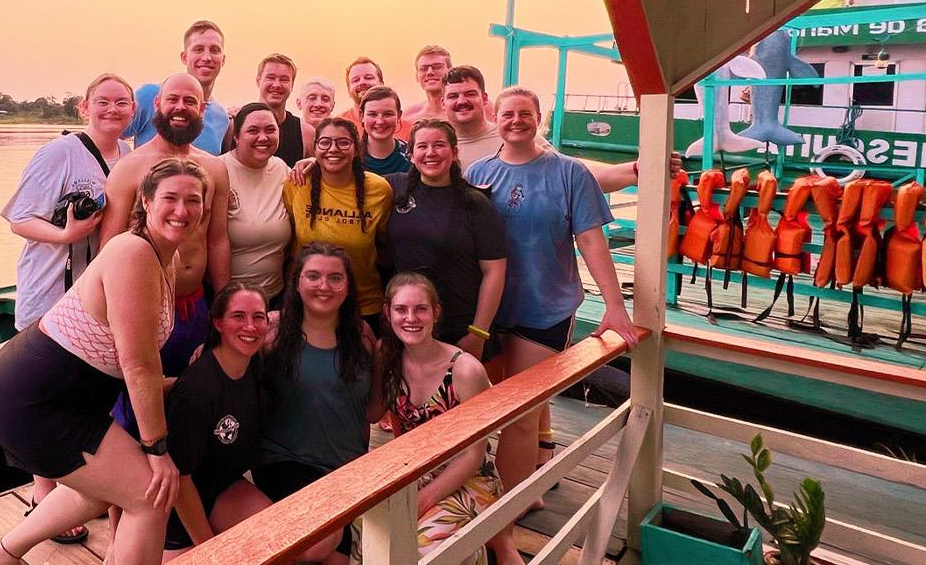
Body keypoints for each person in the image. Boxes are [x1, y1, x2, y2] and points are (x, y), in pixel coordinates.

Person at [0, 158, 209, 565]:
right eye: (170, 198)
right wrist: (158, 451)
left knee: (99, 487)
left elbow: (133, 364)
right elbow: (137, 364)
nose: (182, 210)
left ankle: (1, 556)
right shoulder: (132, 252)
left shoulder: (164, 257)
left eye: (194, 200)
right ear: (146, 202)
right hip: (34, 397)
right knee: (149, 495)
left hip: (75, 397)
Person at [463, 86, 639, 547]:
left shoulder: (569, 174)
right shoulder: (479, 174)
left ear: (539, 119)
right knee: (472, 411)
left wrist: (616, 307)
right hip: (488, 312)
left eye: (526, 113)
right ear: (493, 117)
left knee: (522, 417)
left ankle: (498, 521)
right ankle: (487, 499)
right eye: (508, 114)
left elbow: (591, 242)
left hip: (544, 310)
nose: (516, 120)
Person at [0, 72, 135, 545]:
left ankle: (76, 488)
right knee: (44, 395)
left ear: (133, 110)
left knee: (84, 395)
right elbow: (18, 219)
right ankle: (42, 496)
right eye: (103, 101)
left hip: (95, 298)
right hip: (50, 291)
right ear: (84, 106)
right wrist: (67, 235)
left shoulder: (132, 158)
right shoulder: (61, 152)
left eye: (122, 102)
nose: (112, 110)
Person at [102, 73, 232, 435]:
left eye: (190, 102)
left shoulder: (214, 168)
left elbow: (218, 239)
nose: (180, 108)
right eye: (172, 99)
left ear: (202, 110)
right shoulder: (130, 168)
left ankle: (186, 473)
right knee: (136, 403)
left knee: (192, 398)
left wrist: (222, 303)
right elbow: (109, 247)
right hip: (142, 306)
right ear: (156, 105)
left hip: (194, 305)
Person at [253, 242, 383, 564]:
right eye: (313, 276)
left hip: (342, 471)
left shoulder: (363, 336)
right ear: (296, 282)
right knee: (316, 545)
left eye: (335, 278)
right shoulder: (271, 332)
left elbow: (374, 411)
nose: (323, 286)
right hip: (284, 460)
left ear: (348, 285)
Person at [379, 272, 519, 565]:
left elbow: (473, 454)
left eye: (420, 309)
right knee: (370, 532)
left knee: (422, 549)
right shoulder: (388, 359)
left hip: (470, 477)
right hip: (417, 472)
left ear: (435, 312)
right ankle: (474, 554)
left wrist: (425, 499)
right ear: (387, 313)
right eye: (401, 309)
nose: (410, 318)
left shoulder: (464, 370)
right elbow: (397, 430)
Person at [161, 283, 274, 560]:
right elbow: (180, 479)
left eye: (258, 317)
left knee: (279, 541)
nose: (250, 326)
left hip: (221, 486)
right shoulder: (197, 391)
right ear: (218, 323)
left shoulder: (254, 368)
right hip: (175, 507)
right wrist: (210, 548)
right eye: (238, 316)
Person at [384, 119, 506, 361]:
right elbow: (346, 178)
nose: (430, 153)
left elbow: (495, 272)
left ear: (454, 151)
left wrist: (478, 333)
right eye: (422, 147)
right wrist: (312, 162)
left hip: (462, 328)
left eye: (439, 145)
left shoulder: (475, 203)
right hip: (409, 325)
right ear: (410, 154)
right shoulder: (393, 188)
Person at [442, 66, 676, 188]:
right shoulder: (435, 146)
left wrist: (637, 170)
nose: (461, 101)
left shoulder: (514, 138)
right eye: (453, 96)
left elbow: (571, 174)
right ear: (443, 102)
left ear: (484, 99)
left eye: (470, 94)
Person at [282, 118, 392, 326]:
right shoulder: (297, 183)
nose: (333, 149)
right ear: (314, 148)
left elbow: (385, 245)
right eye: (324, 142)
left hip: (364, 304)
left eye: (343, 142)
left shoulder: (379, 189)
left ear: (357, 148)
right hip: (307, 301)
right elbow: (289, 240)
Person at [123, 21, 231, 155]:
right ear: (184, 57)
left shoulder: (222, 118)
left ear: (223, 59)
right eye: (198, 49)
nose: (207, 57)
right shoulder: (149, 96)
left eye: (215, 50)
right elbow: (108, 138)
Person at [221, 103, 293, 302]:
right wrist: (224, 300)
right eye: (253, 130)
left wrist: (312, 162)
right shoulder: (218, 170)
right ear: (236, 136)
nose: (263, 137)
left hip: (275, 296)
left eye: (270, 130)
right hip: (228, 298)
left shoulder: (282, 170)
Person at [251, 53, 314, 166]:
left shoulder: (306, 133)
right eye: (270, 77)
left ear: (292, 85)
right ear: (258, 81)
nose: (277, 85)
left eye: (284, 80)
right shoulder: (237, 125)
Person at [337, 57, 410, 141]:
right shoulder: (338, 125)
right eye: (356, 80)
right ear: (348, 89)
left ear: (381, 83)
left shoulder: (407, 129)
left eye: (368, 77)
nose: (362, 82)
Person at [358, 85, 413, 176]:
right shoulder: (351, 156)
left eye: (388, 114)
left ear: (399, 116)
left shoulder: (412, 156)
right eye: (372, 114)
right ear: (362, 116)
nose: (380, 121)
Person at [402, 45, 453, 122]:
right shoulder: (407, 117)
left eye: (437, 67)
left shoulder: (463, 113)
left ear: (451, 71)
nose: (430, 72)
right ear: (417, 76)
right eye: (423, 69)